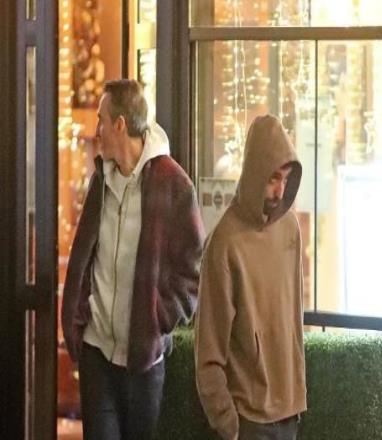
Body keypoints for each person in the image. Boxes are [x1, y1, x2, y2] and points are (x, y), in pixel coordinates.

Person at [62, 79, 204, 440]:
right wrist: (78, 315)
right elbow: (85, 255)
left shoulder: (175, 185)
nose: (97, 131)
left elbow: (194, 271)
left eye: (101, 120)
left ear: (120, 124)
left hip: (144, 362)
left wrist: (158, 318)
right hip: (97, 351)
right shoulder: (101, 180)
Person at [195, 115, 307, 440]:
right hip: (248, 421)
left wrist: (296, 394)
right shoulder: (224, 242)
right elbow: (208, 350)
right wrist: (229, 425)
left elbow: (293, 320)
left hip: (290, 413)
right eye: (273, 178)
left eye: (286, 179)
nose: (280, 190)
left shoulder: (290, 229)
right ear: (255, 173)